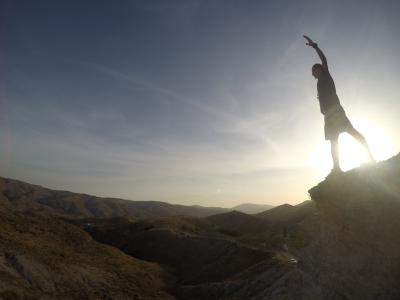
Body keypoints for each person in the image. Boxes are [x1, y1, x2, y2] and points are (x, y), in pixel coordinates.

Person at [303, 35, 375, 177]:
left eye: (313, 71)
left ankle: (370, 159)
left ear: (319, 69)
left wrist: (315, 46)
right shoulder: (320, 82)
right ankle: (336, 169)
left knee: (351, 132)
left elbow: (324, 60)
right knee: (333, 141)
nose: (312, 74)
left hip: (335, 111)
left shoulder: (325, 75)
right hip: (328, 115)